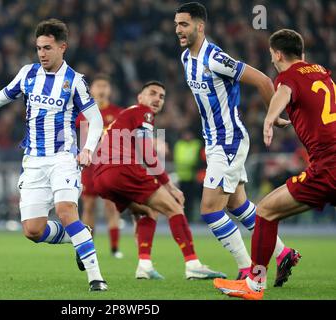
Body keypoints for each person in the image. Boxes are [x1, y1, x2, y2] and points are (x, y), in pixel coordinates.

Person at [0, 19, 108, 292]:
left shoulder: (75, 82)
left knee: (65, 211)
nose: (42, 53)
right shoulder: (28, 74)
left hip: (63, 157)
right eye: (39, 48)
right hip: (33, 161)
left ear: (63, 47)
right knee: (33, 230)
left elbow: (95, 120)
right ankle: (81, 235)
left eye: (48, 48)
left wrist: (87, 150)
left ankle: (96, 278)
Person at [174, 2, 298, 281]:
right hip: (215, 141)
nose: (178, 29)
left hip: (228, 141)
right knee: (237, 206)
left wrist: (274, 115)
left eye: (184, 24)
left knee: (209, 209)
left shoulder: (215, 58)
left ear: (200, 26)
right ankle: (283, 253)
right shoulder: (185, 58)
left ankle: (246, 268)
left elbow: (265, 81)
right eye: (176, 24)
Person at [214, 29, 336, 300]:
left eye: (271, 55)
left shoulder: (288, 76)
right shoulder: (322, 72)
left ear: (277, 54)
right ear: (302, 52)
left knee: (266, 211)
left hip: (328, 167)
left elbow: (284, 91)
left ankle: (255, 284)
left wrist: (270, 118)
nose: (272, 59)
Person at [93, 80, 226, 280]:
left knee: (148, 210)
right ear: (141, 97)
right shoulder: (143, 112)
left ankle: (144, 265)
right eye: (152, 93)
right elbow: (147, 152)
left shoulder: (125, 114)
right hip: (120, 169)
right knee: (174, 207)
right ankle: (193, 264)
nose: (157, 99)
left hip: (100, 176)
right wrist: (170, 186)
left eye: (161, 96)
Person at [76, 74, 124, 259]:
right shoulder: (82, 114)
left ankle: (114, 248)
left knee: (111, 206)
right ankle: (88, 247)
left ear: (109, 90)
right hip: (89, 166)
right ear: (92, 89)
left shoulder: (118, 112)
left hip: (110, 166)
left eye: (105, 85)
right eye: (98, 85)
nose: (102, 89)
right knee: (88, 206)